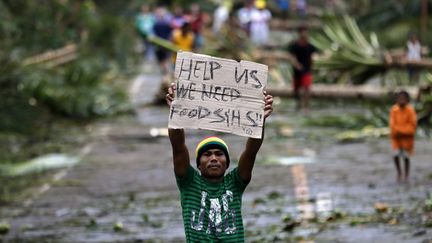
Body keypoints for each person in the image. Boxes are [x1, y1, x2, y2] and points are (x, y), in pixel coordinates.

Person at [166, 83, 273, 241]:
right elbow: (178, 147)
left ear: (227, 163)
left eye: (219, 154)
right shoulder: (189, 183)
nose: (214, 158)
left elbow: (251, 152)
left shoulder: (235, 183)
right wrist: (176, 111)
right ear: (199, 165)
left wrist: (259, 121)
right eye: (207, 155)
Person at [389, 90, 417, 183]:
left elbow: (412, 125)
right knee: (396, 155)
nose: (401, 100)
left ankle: (406, 175)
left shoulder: (410, 111)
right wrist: (397, 131)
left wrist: (402, 131)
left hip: (407, 139)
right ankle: (399, 172)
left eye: (403, 99)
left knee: (406, 157)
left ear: (407, 100)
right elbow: (392, 124)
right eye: (400, 98)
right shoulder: (394, 110)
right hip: (396, 138)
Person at [288, 26, 317, 113]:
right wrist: (297, 65)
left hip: (307, 69)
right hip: (297, 70)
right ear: (299, 33)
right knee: (296, 89)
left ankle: (306, 106)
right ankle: (299, 104)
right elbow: (292, 57)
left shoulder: (310, 46)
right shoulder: (294, 46)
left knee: (307, 88)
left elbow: (313, 56)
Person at [153, 6, 173, 74]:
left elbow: (170, 33)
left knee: (165, 58)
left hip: (165, 44)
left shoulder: (167, 24)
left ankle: (165, 72)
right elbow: (154, 34)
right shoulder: (156, 24)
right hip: (159, 44)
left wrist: (169, 41)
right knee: (160, 59)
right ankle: (164, 71)